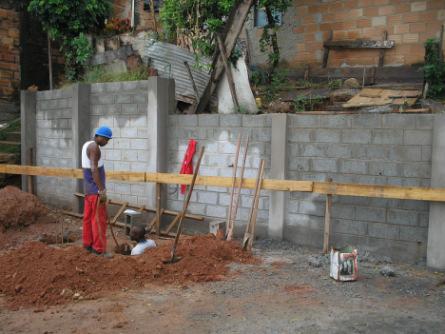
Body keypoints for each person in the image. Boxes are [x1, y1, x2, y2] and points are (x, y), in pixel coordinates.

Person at [82, 126, 112, 255]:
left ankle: (87, 244)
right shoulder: (94, 148)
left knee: (88, 219)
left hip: (89, 190)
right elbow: (94, 169)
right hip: (96, 192)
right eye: (106, 139)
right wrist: (102, 190)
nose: (107, 142)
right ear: (98, 136)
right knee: (99, 220)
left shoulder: (87, 145)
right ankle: (99, 249)